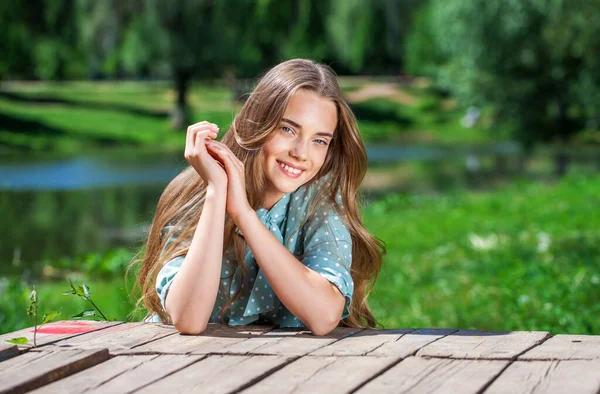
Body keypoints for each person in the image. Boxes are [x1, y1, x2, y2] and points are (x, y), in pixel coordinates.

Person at [132, 59, 385, 336]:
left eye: (319, 140)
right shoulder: (195, 194)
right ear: (258, 123)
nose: (301, 153)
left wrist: (245, 215)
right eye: (287, 129)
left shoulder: (319, 206)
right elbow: (188, 320)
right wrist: (218, 191)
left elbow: (324, 316)